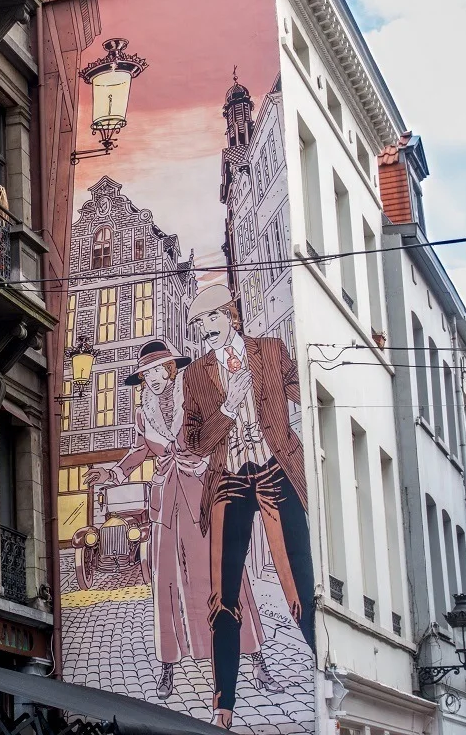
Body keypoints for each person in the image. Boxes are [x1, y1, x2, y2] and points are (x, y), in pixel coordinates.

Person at [87, 339, 279, 701]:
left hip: (203, 494)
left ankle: (256, 661)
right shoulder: (144, 414)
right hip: (166, 503)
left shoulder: (193, 396)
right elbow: (140, 449)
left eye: (158, 370)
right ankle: (168, 667)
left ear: (170, 369)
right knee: (167, 583)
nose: (154, 378)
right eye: (146, 374)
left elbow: (215, 433)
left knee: (224, 574)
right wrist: (113, 474)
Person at [181, 285, 316, 729]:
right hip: (229, 478)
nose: (205, 331)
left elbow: (308, 391)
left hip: (275, 466)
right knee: (223, 596)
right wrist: (229, 405)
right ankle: (223, 707)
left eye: (210, 320)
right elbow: (194, 439)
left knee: (298, 581)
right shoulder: (196, 374)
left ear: (230, 314)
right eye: (199, 324)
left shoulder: (271, 352)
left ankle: (323, 670)